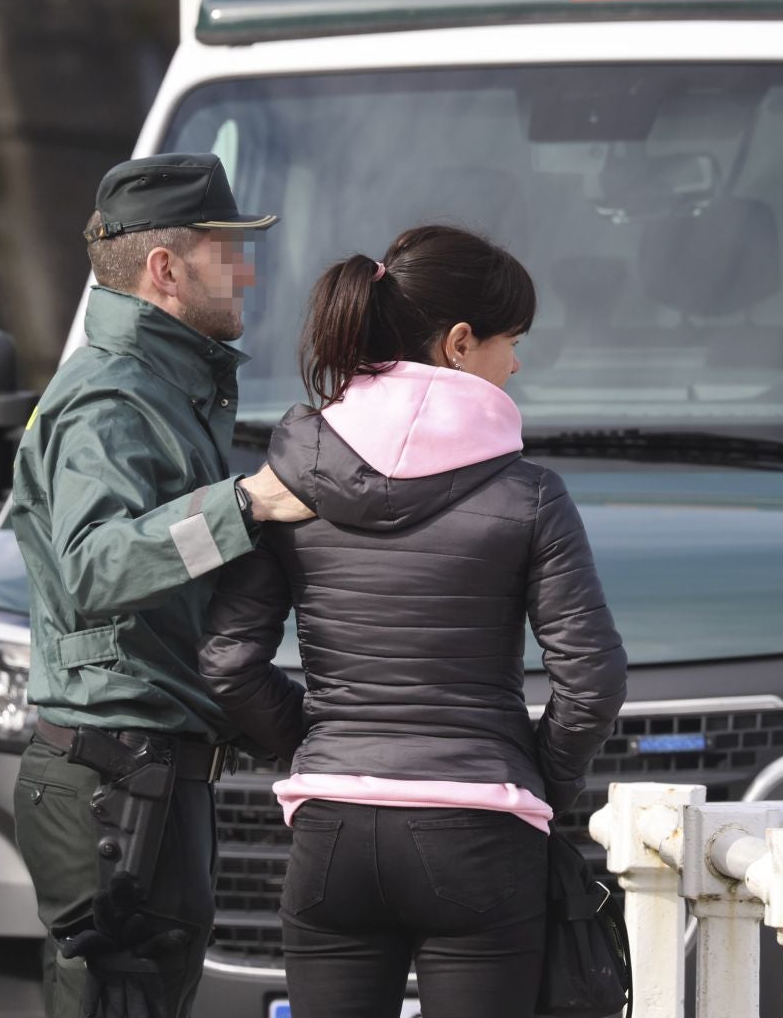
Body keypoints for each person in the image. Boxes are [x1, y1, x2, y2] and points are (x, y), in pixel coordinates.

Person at [200, 224, 628, 1018]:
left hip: (332, 837)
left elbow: (228, 660)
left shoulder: (293, 481)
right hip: (478, 834)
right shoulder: (529, 496)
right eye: (513, 341)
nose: (518, 364)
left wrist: (322, 749)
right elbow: (592, 681)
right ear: (462, 344)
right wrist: (533, 779)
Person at [11, 153, 314, 1018]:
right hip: (114, 787)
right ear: (166, 269)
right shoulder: (113, 394)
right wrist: (245, 503)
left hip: (141, 780)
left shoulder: (159, 387)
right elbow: (93, 563)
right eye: (228, 248)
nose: (247, 268)